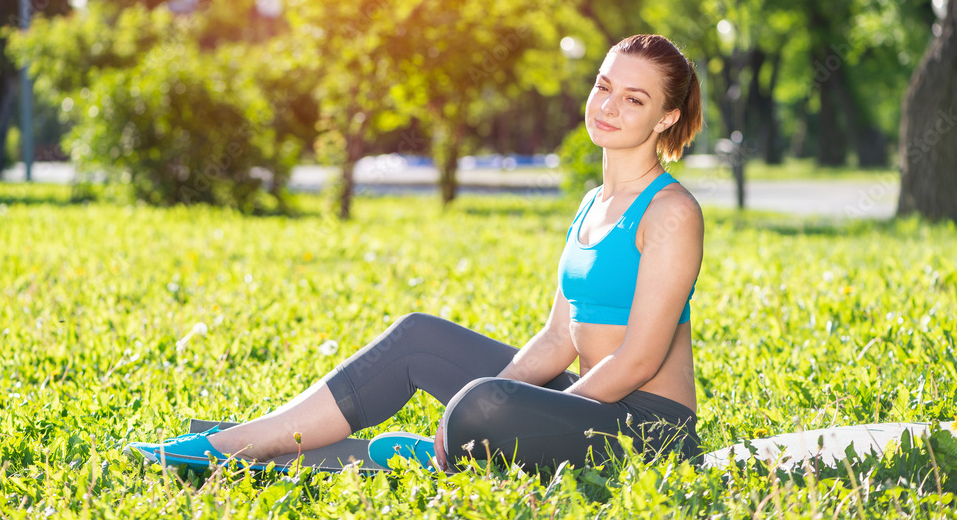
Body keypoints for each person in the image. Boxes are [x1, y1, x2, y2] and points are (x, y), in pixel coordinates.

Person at [128, 33, 706, 473]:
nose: (608, 105)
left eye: (634, 99)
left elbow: (638, 361)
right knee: (419, 337)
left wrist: (517, 408)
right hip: (585, 409)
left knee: (483, 406)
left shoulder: (671, 212)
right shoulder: (592, 202)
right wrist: (508, 393)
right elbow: (559, 338)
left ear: (667, 116)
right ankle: (239, 443)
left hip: (646, 432)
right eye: (604, 86)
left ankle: (457, 447)